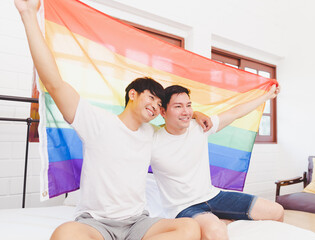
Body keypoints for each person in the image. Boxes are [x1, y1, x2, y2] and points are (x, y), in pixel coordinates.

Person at [15, 0, 201, 239]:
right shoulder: (96, 122)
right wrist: (28, 15)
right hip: (96, 224)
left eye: (159, 104)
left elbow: (179, 124)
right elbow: (54, 83)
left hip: (137, 223)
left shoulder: (152, 135)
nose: (155, 106)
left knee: (189, 228)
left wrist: (194, 113)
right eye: (152, 98)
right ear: (133, 94)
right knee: (63, 234)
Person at [151, 84, 284, 240]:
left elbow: (235, 113)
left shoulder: (200, 127)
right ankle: (221, 222)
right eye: (178, 106)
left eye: (188, 105)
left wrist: (267, 96)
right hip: (184, 208)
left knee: (277, 211)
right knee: (216, 231)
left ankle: (224, 221)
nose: (186, 111)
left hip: (213, 196)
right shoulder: (152, 140)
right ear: (163, 111)